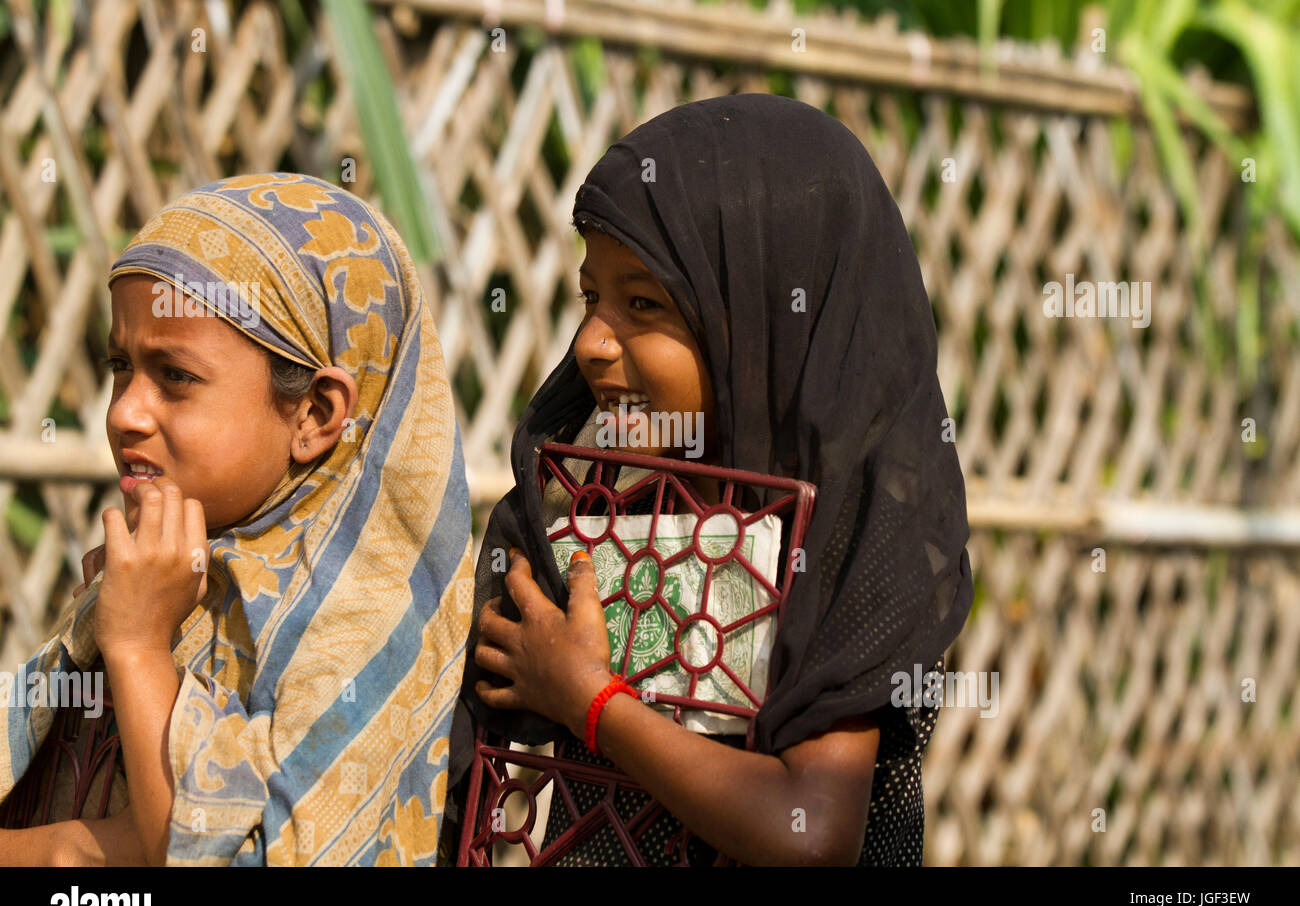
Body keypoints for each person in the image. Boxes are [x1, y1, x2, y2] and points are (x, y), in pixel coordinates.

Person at [443, 94, 974, 866]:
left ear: (763, 321)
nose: (592, 341)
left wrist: (591, 700)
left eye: (644, 304)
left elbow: (812, 832)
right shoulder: (592, 509)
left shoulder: (851, 544)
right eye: (591, 297)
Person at [0, 172, 475, 866]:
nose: (125, 413)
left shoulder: (364, 624)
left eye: (175, 376)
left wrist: (135, 647)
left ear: (314, 415)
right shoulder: (175, 571)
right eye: (120, 365)